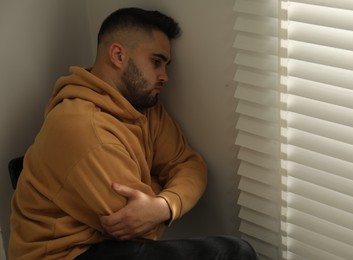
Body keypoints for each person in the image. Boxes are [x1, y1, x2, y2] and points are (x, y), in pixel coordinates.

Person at [9, 7, 258, 259]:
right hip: (67, 254)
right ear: (118, 55)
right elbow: (139, 227)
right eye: (156, 62)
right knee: (235, 253)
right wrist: (158, 192)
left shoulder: (142, 106)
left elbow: (189, 164)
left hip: (105, 243)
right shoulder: (85, 129)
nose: (165, 76)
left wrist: (162, 205)